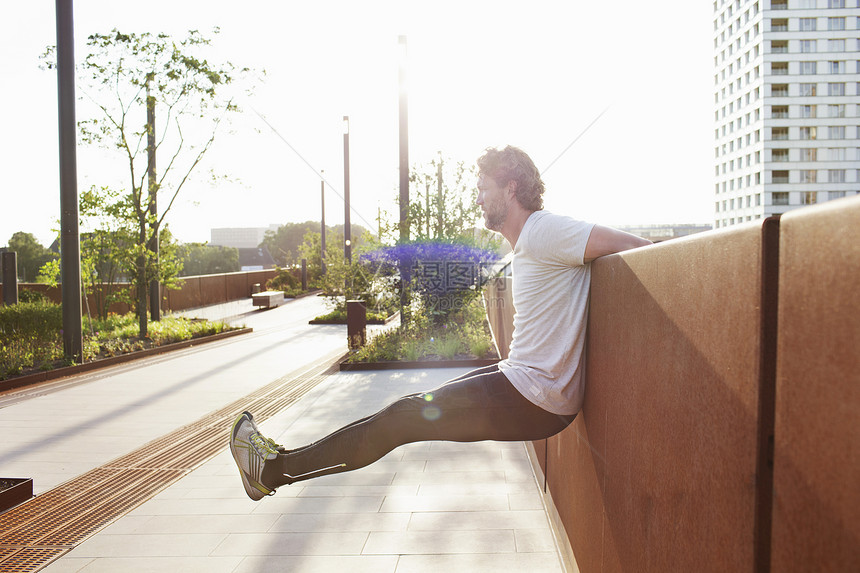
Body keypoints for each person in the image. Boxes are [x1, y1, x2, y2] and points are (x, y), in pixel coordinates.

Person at [229, 145, 651, 500]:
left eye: (484, 188)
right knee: (402, 413)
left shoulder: (544, 230)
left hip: (536, 396)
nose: (479, 199)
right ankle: (276, 463)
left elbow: (637, 249)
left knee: (401, 418)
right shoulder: (529, 243)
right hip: (526, 385)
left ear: (512, 187)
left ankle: (272, 470)